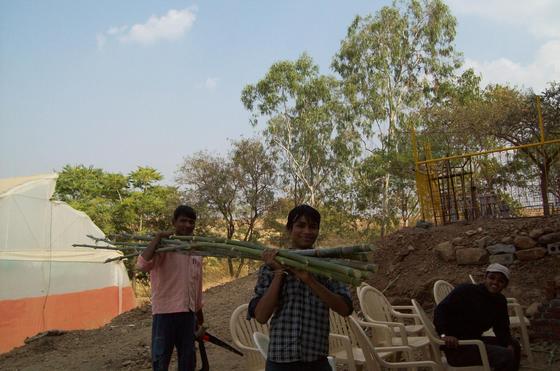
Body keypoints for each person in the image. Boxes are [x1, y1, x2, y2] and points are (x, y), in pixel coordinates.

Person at [247, 204, 353, 371]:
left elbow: (345, 309)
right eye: (301, 225)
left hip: (317, 360)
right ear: (289, 229)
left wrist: (310, 280)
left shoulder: (328, 266)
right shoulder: (271, 265)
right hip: (280, 360)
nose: (307, 231)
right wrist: (279, 273)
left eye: (313, 227)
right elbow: (261, 316)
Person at [136, 205, 204, 371]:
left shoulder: (195, 252)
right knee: (161, 361)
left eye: (191, 222)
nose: (187, 225)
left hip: (188, 315)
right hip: (164, 314)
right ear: (174, 222)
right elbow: (142, 265)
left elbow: (197, 285)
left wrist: (199, 316)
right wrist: (158, 237)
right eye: (183, 221)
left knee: (188, 361)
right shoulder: (163, 248)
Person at [434, 263, 521, 371]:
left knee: (515, 345)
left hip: (475, 341)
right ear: (485, 277)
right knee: (505, 355)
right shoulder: (466, 291)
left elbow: (501, 327)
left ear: (505, 285)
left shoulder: (500, 301)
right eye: (492, 278)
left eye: (501, 281)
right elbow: (440, 310)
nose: (495, 283)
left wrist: (507, 343)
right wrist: (444, 335)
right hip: (458, 348)